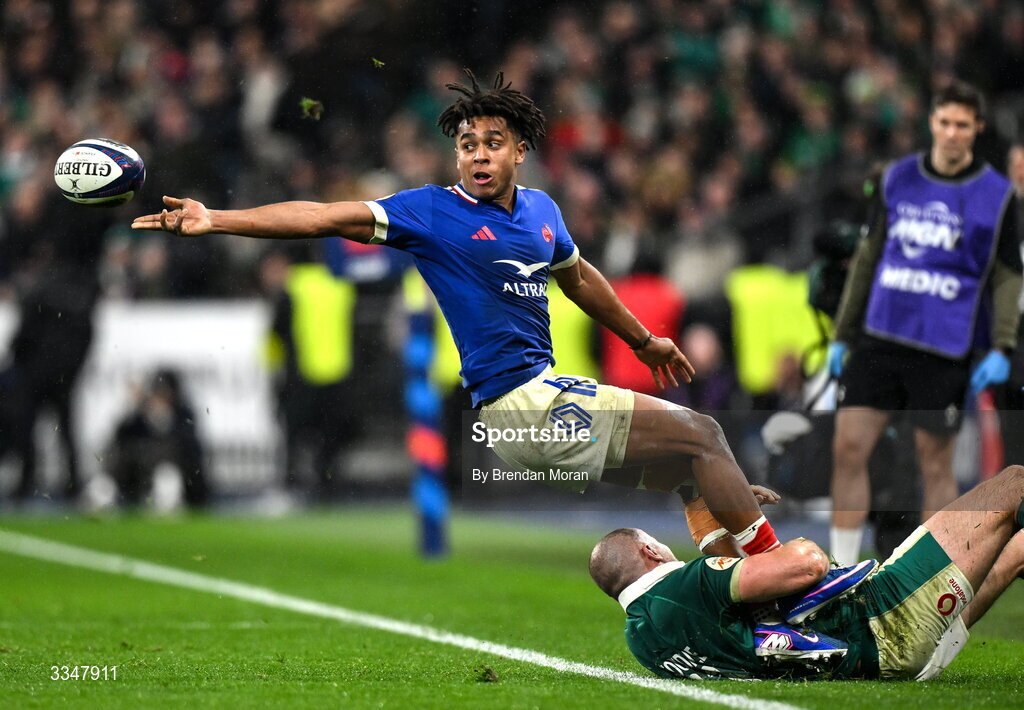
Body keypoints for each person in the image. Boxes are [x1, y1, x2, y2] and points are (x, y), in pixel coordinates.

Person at [133, 70, 781, 557]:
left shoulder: (543, 214)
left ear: (519, 150)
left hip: (545, 401)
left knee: (693, 472)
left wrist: (644, 341)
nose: (476, 154)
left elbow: (580, 278)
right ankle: (781, 582)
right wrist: (215, 218)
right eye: (467, 143)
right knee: (705, 435)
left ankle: (728, 602)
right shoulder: (430, 212)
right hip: (523, 405)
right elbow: (324, 216)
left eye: (492, 142)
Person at [826, 81, 1023, 565]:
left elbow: (1006, 276)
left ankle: (923, 579)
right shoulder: (897, 179)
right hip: (881, 335)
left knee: (935, 465)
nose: (952, 133)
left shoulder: (998, 196)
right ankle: (838, 572)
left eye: (962, 124)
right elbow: (868, 258)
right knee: (848, 448)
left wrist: (1002, 345)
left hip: (945, 347)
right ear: (931, 122)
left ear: (976, 128)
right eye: (945, 122)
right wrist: (842, 336)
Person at [590, 464, 1024, 681]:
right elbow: (807, 565)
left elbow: (736, 601)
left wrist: (706, 505)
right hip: (885, 614)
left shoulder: (643, 639)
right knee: (1012, 483)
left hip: (873, 662)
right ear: (649, 550)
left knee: (1014, 552)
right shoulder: (685, 585)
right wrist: (747, 524)